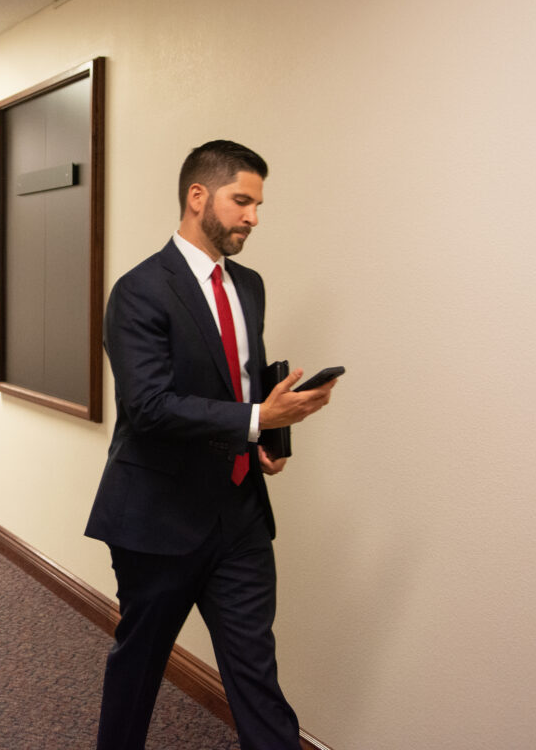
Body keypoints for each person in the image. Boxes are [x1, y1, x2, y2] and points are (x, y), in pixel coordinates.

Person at [85, 140, 338, 750]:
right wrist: (254, 418)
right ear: (198, 196)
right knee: (140, 668)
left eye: (257, 203)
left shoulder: (248, 285)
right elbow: (146, 407)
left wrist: (269, 436)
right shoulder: (140, 290)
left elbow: (239, 383)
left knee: (255, 673)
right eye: (242, 200)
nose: (254, 216)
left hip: (240, 515)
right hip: (157, 517)